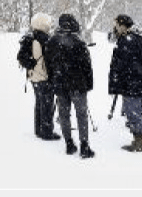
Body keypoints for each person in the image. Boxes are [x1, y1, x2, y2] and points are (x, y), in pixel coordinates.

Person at [44, 13, 95, 158]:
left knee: (64, 115)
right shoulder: (78, 41)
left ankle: (69, 143)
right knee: (81, 115)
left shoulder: (52, 41)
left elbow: (48, 65)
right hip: (78, 84)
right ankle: (84, 145)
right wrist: (89, 84)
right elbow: (87, 66)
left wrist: (53, 80)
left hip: (60, 84)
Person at [108, 14, 142, 152]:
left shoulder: (127, 41)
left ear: (123, 25)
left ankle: (139, 141)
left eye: (116, 25)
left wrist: (117, 79)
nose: (115, 28)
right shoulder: (136, 38)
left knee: (132, 110)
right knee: (139, 109)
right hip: (138, 80)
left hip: (131, 82)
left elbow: (122, 64)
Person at [27, 13, 61, 141]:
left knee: (39, 103)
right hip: (44, 77)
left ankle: (38, 129)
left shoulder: (30, 37)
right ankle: (46, 132)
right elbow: (50, 59)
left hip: (33, 77)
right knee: (47, 105)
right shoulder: (44, 39)